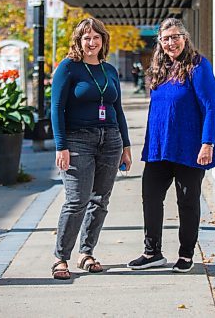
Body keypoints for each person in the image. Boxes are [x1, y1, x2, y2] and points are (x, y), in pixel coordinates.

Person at [128, 18, 215, 273]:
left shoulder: (198, 66)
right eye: (166, 38)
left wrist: (207, 143)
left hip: (189, 147)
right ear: (160, 42)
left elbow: (210, 107)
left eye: (176, 36)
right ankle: (152, 252)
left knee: (187, 202)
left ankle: (186, 254)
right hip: (159, 148)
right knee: (151, 197)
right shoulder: (159, 67)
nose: (171, 42)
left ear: (185, 37)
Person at [51, 18, 132, 280]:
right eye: (87, 37)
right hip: (77, 140)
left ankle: (86, 253)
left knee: (100, 200)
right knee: (76, 200)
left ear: (103, 41)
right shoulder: (69, 68)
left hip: (110, 139)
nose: (92, 41)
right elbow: (56, 108)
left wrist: (126, 145)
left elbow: (117, 109)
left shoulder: (109, 70)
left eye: (96, 37)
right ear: (79, 40)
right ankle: (60, 258)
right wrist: (60, 146)